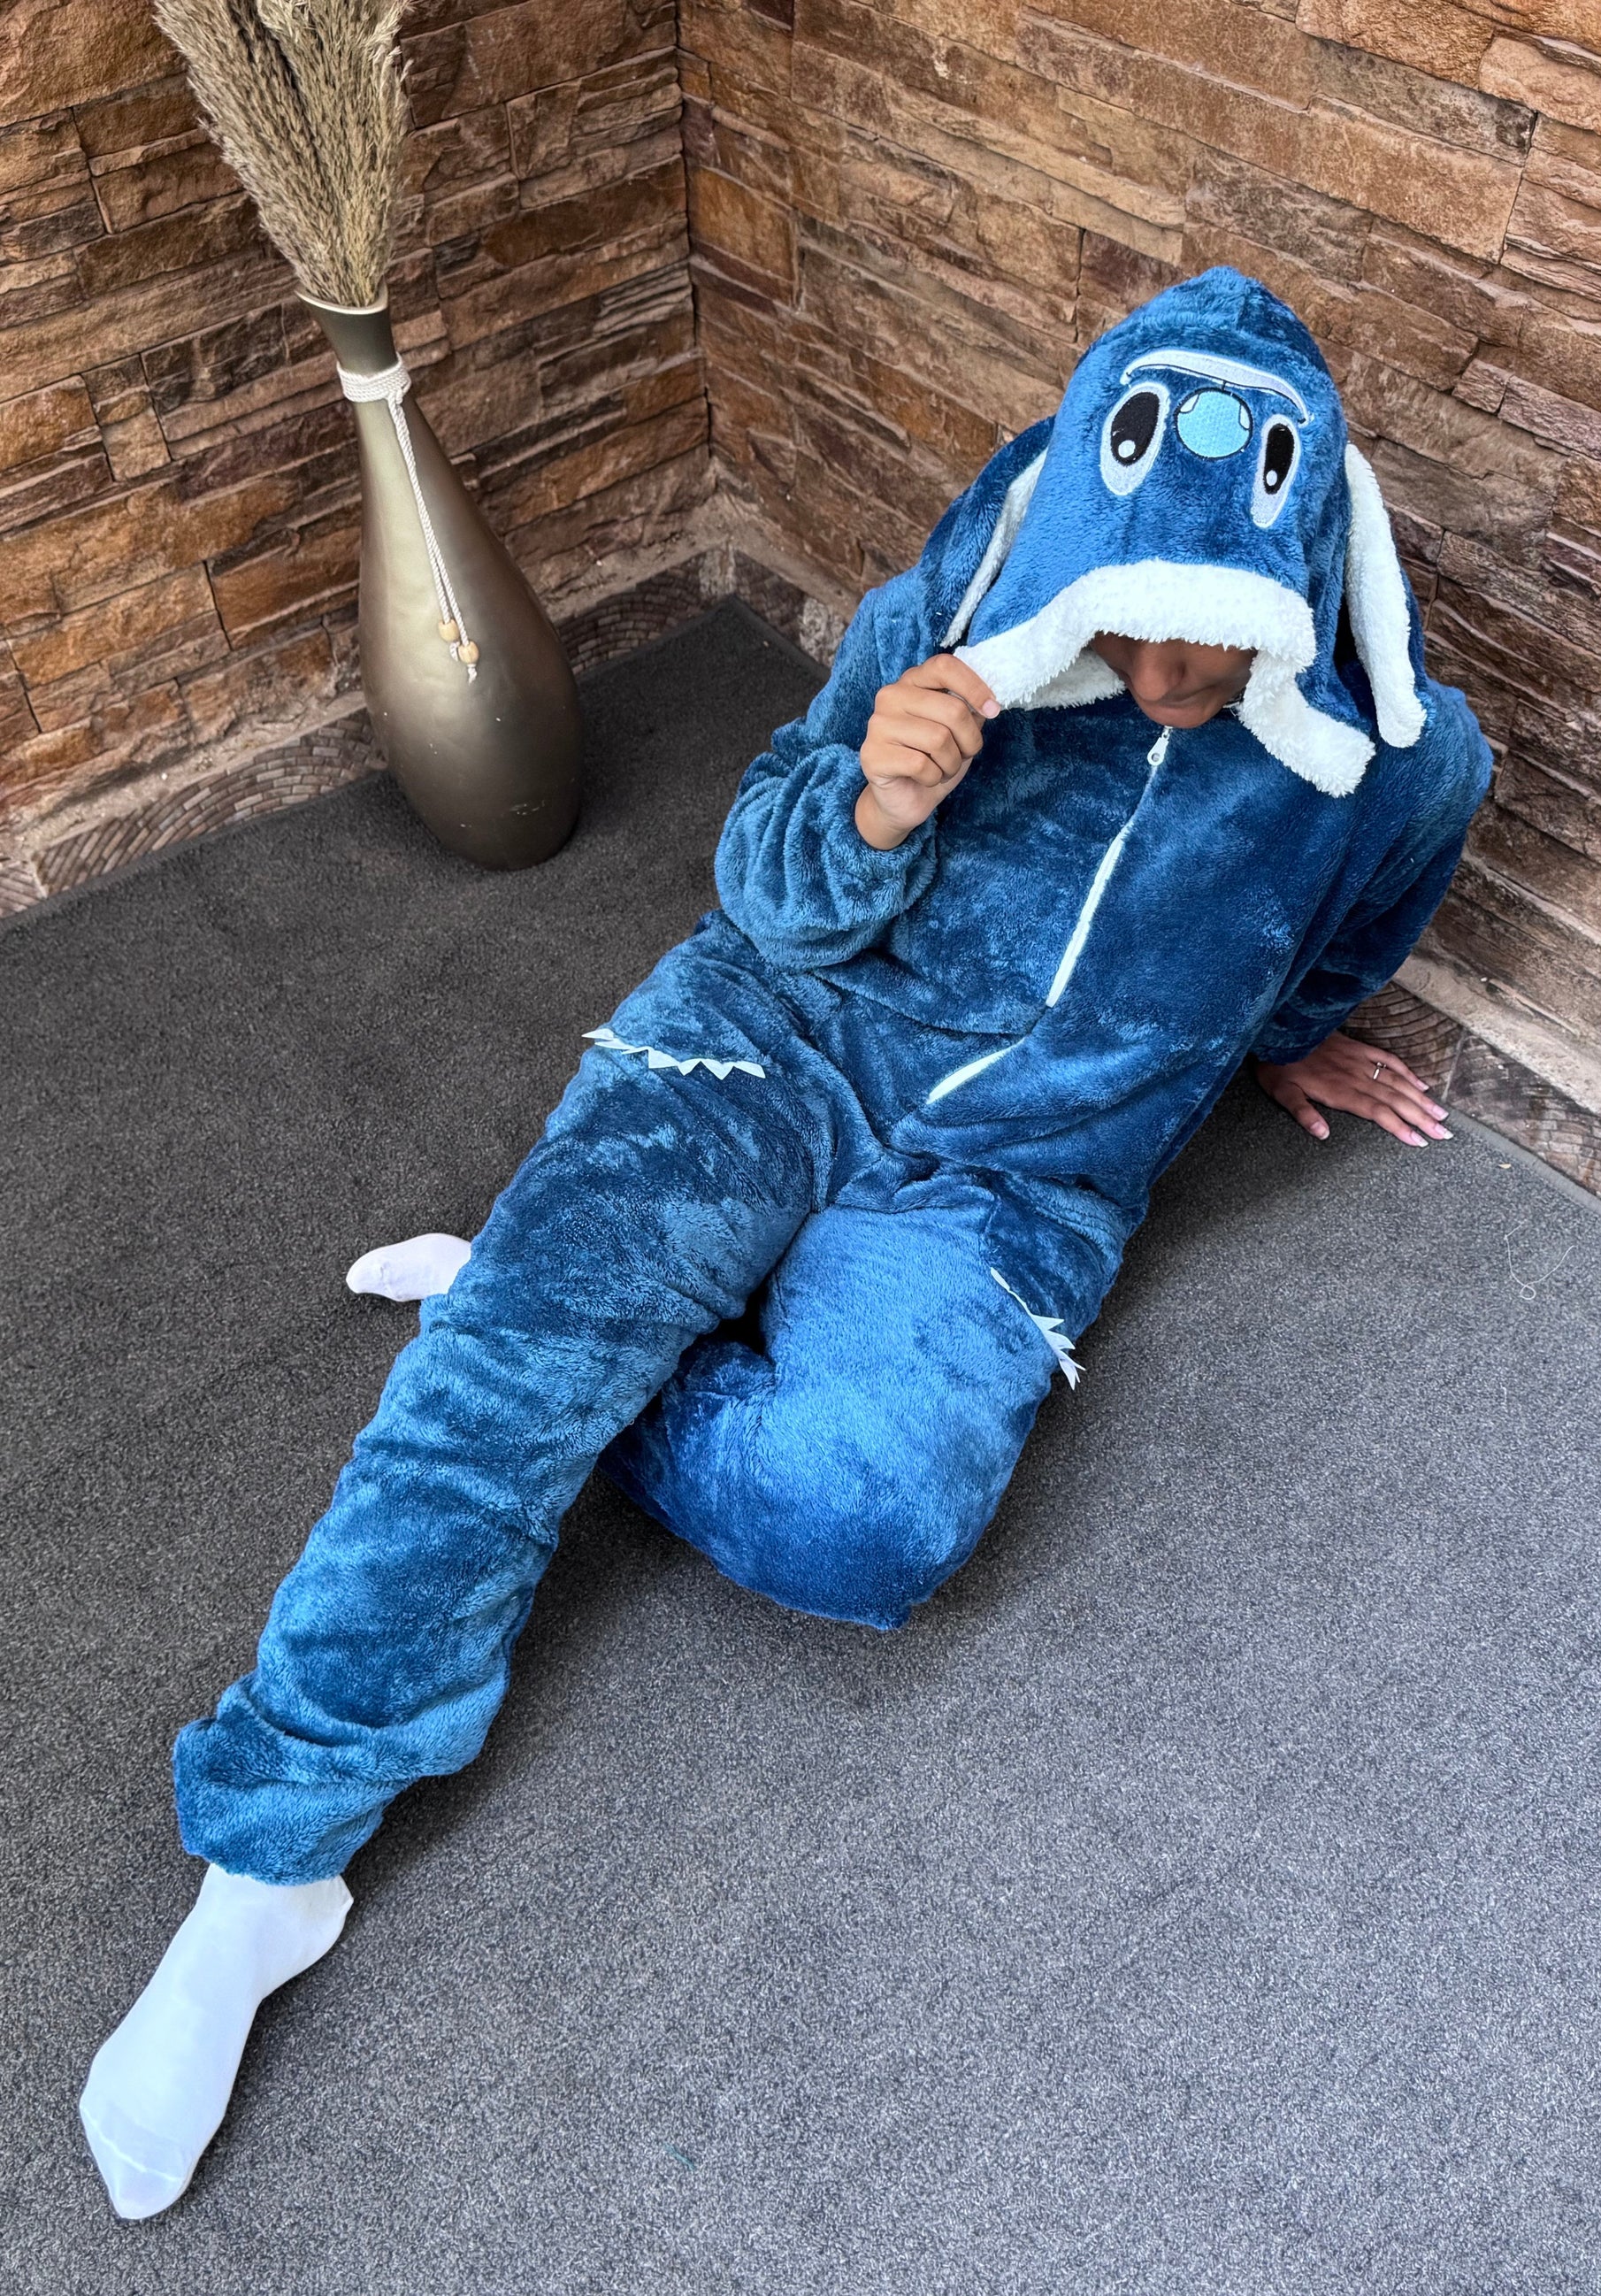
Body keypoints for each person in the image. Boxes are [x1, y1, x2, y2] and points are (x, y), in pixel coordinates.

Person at [80, 266, 1491, 2217]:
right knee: (489, 1408)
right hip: (777, 1034)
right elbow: (763, 881)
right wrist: (878, 807)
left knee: (862, 1524)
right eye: (1132, 621)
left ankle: (527, 1312)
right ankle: (266, 1871)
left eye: (1214, 635)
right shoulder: (951, 612)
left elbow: (1355, 920)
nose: (1168, 672)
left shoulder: (1403, 756)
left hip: (1013, 1180)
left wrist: (1290, 1036)